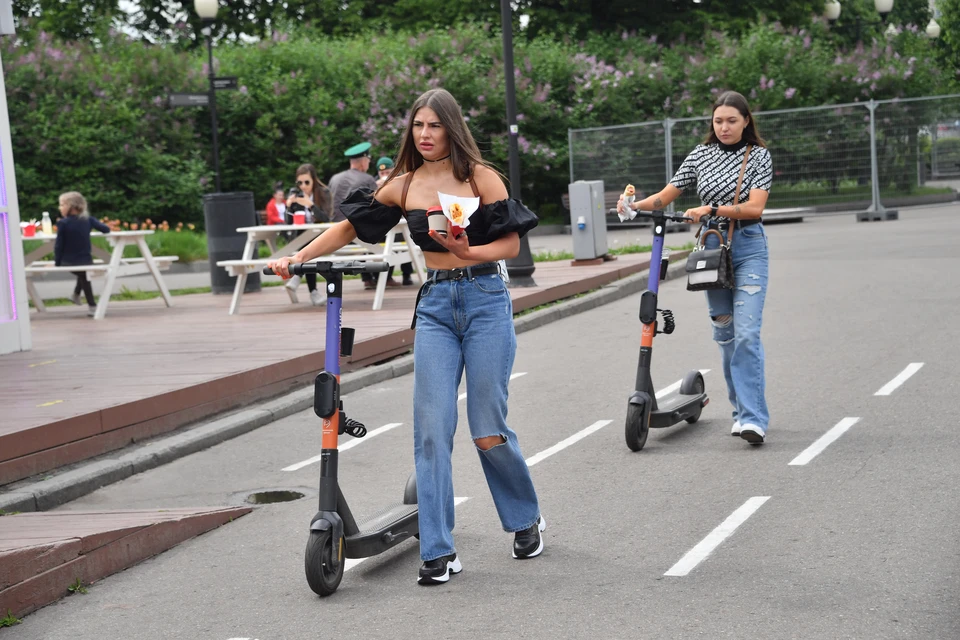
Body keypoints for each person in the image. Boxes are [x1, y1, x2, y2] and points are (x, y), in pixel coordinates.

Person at [269, 88, 544, 585]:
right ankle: (438, 551)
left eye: (435, 126)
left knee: (486, 427)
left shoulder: (481, 178)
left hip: (485, 300)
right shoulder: (404, 183)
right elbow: (348, 228)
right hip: (436, 305)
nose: (425, 135)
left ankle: (526, 519)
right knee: (432, 431)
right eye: (418, 126)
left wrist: (468, 251)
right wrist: (299, 258)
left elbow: (510, 242)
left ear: (452, 128)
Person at [618, 90, 773, 445]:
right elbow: (666, 195)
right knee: (725, 335)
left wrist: (711, 209)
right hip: (712, 251)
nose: (724, 127)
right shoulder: (701, 155)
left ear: (746, 121)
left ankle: (752, 418)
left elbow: (755, 209)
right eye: (718, 121)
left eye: (732, 120)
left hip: (748, 248)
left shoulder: (758, 156)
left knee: (747, 334)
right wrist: (632, 206)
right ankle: (740, 411)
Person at [328, 143, 397, 289]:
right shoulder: (367, 179)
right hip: (358, 232)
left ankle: (367, 279)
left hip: (335, 231)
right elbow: (378, 208)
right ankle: (383, 277)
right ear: (363, 161)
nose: (369, 162)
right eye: (368, 159)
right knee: (387, 232)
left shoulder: (334, 179)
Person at [54, 191, 110, 318]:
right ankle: (90, 304)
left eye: (62, 205)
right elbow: (105, 229)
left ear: (71, 206)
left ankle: (79, 297)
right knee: (85, 274)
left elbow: (59, 245)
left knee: (84, 273)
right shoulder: (88, 220)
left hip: (67, 260)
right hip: (84, 260)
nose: (60, 208)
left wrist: (57, 262)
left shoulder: (63, 223)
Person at [285, 164, 333, 306]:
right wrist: (288, 207)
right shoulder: (295, 195)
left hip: (320, 236)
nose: (303, 186)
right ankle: (313, 293)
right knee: (306, 248)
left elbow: (326, 218)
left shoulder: (323, 193)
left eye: (307, 182)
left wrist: (311, 205)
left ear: (313, 180)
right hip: (301, 238)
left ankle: (298, 276)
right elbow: (288, 223)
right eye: (300, 182)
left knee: (308, 248)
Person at [376, 156, 414, 286]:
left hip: (401, 222)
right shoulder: (375, 184)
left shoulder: (402, 182)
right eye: (382, 173)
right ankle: (384, 277)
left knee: (403, 240)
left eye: (387, 172)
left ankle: (407, 275)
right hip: (383, 224)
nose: (385, 175)